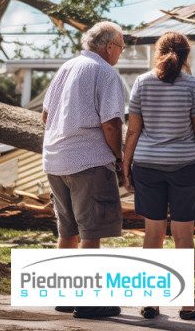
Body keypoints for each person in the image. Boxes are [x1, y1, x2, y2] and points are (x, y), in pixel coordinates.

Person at [123, 31, 195, 320]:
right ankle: (187, 304)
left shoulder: (142, 82)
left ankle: (150, 301)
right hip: (185, 166)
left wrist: (126, 168)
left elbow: (134, 131)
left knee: (153, 233)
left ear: (158, 52)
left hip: (148, 166)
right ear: (186, 56)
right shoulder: (193, 85)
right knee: (182, 235)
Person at [42, 21, 125, 319]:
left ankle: (65, 296)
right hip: (88, 161)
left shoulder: (67, 67)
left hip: (55, 160)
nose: (121, 54)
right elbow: (111, 123)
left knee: (68, 231)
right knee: (92, 231)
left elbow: (45, 115)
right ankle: (90, 301)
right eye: (122, 48)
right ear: (109, 47)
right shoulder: (106, 72)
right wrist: (119, 157)